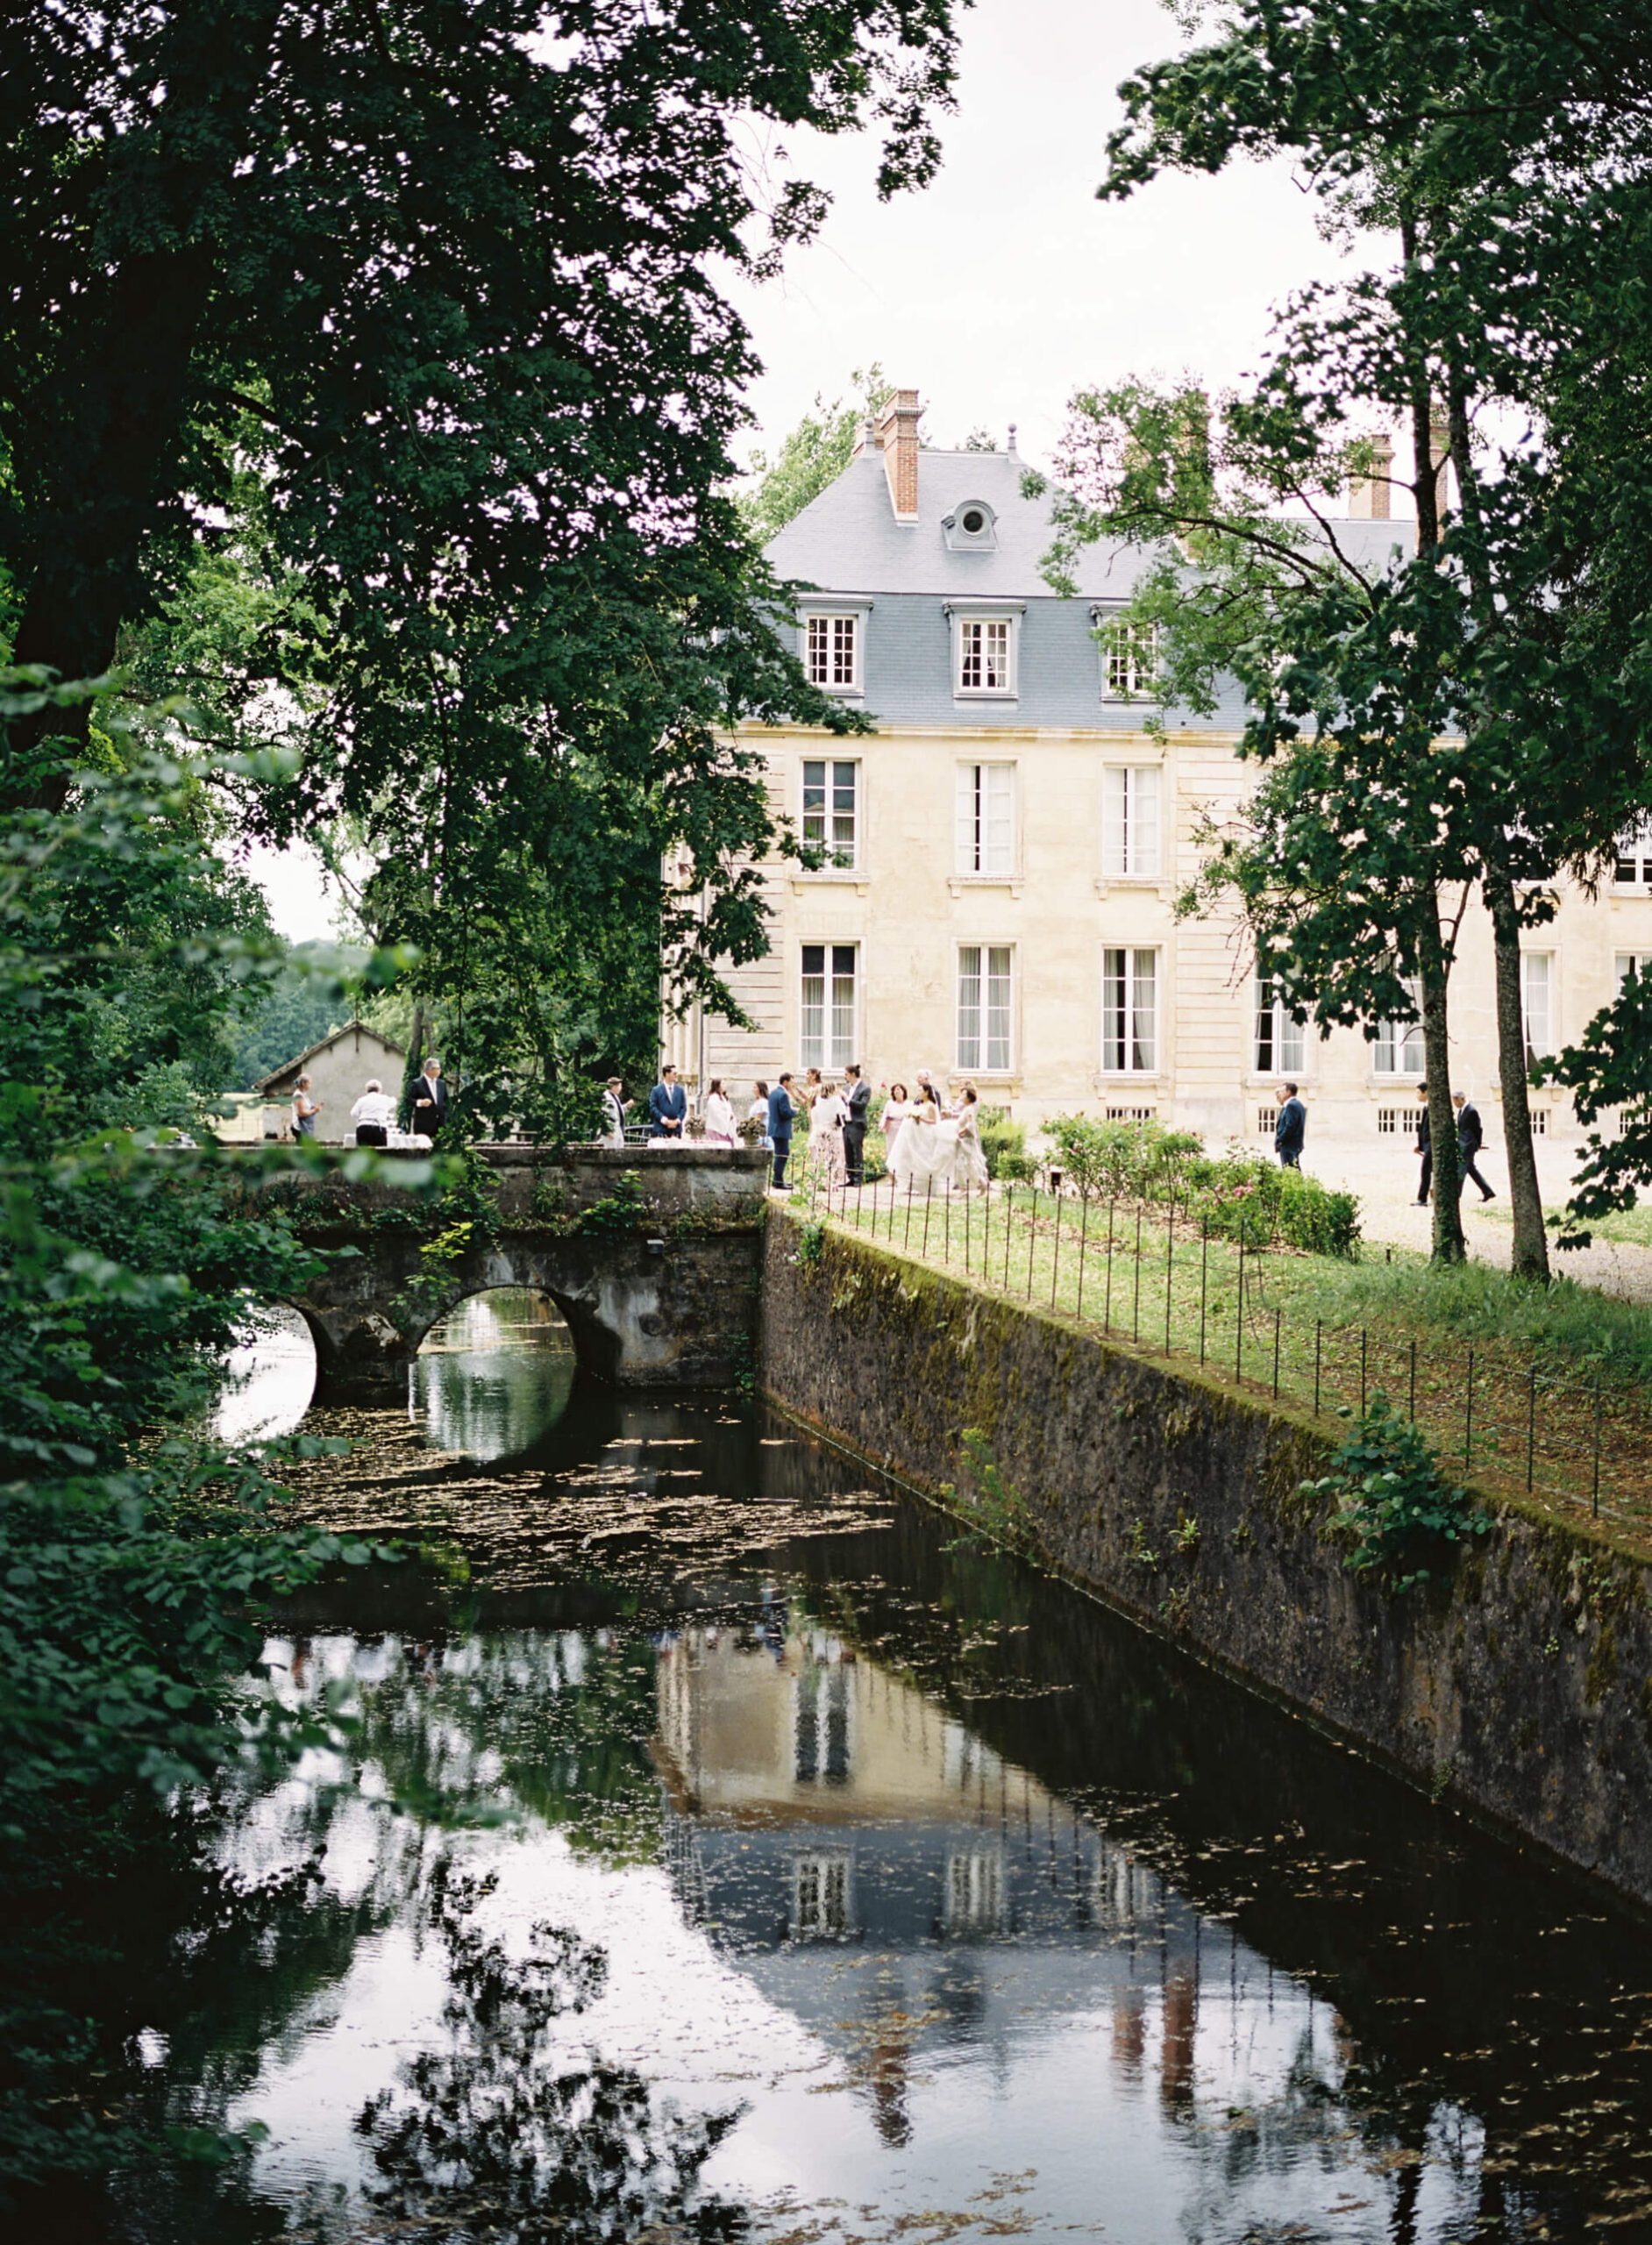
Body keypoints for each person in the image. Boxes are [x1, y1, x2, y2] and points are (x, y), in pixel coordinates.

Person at [1455, 1090, 1496, 1201]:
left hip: (1468, 1144)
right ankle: (1488, 1191)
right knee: (1471, 1169)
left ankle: (1456, 1194)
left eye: (1455, 1101)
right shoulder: (1461, 1111)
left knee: (1461, 1169)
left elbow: (1478, 1129)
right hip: (1463, 1143)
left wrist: (1477, 1144)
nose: (1455, 1104)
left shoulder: (1471, 1111)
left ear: (1461, 1099)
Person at [952, 1084, 989, 1194]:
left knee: (969, 1163)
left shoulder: (969, 1110)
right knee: (962, 1164)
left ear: (969, 1097)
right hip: (962, 1141)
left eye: (964, 1095)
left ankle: (981, 1184)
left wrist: (961, 1132)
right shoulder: (966, 1109)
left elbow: (970, 1125)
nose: (961, 1097)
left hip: (966, 1141)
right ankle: (964, 1188)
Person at [842, 1062, 871, 1185]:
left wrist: (847, 1099)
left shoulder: (865, 1088)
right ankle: (850, 1176)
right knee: (847, 1150)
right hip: (846, 1123)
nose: (845, 1076)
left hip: (857, 1123)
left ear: (853, 1074)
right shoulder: (846, 1088)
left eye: (846, 1074)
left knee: (856, 1150)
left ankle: (858, 1178)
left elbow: (862, 1105)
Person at [767, 1073, 796, 1190]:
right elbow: (785, 1113)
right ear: (785, 1082)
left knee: (780, 1153)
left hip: (774, 1128)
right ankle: (778, 1180)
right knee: (783, 1154)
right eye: (791, 1082)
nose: (792, 1085)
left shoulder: (773, 1093)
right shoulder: (783, 1094)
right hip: (781, 1129)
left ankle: (778, 1179)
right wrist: (794, 1112)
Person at [409, 1056, 448, 1144]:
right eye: (437, 1068)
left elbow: (446, 1101)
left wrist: (445, 1116)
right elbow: (409, 1099)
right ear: (429, 1070)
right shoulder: (417, 1083)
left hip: (440, 1124)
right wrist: (420, 1102)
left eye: (439, 1068)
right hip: (424, 1124)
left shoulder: (441, 1084)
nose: (439, 1071)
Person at [351, 1078, 397, 1147]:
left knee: (363, 1151)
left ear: (367, 1090)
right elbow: (394, 1102)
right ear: (379, 1090)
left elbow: (353, 1113)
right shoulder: (384, 1099)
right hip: (378, 1127)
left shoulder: (362, 1100)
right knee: (380, 1152)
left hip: (363, 1127)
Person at [648, 1061, 687, 1139]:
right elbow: (653, 1107)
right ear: (667, 1074)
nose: (676, 1076)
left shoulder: (680, 1090)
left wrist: (677, 1120)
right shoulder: (656, 1090)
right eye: (674, 1074)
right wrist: (665, 1120)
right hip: (661, 1130)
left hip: (676, 1130)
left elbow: (683, 1108)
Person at [1274, 1082, 1307, 1169]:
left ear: (1288, 1092)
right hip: (1293, 1145)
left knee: (1290, 1170)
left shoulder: (1291, 1105)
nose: (1280, 1094)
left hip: (1289, 1145)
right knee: (1292, 1169)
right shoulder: (1296, 1104)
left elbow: (1290, 1126)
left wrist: (1281, 1139)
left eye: (1282, 1091)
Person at [880, 1081, 912, 1169]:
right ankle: (892, 1174)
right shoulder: (890, 1103)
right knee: (891, 1151)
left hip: (904, 1129)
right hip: (892, 1130)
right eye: (895, 1090)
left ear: (903, 1092)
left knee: (903, 1151)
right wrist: (883, 1125)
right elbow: (885, 1116)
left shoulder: (909, 1104)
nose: (897, 1091)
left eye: (899, 1089)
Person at [1413, 1080, 1432, 1205]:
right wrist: (1420, 1146)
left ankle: (1422, 1198)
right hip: (1426, 1145)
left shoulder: (1431, 1108)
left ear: (1425, 1093)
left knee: (1425, 1171)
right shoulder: (1426, 1107)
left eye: (1418, 1092)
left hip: (1430, 1146)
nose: (1417, 1095)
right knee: (1426, 1171)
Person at [703, 1077, 736, 1145]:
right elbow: (716, 1113)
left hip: (726, 1128)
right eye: (722, 1084)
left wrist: (731, 1115)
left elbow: (728, 1110)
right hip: (716, 1129)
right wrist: (728, 1116)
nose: (724, 1086)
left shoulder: (724, 1097)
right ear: (717, 1086)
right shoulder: (713, 1098)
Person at [602, 1077, 630, 1145]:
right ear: (613, 1086)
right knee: (611, 1150)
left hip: (618, 1127)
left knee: (619, 1150)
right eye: (619, 1086)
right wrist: (606, 1131)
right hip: (611, 1128)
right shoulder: (605, 1097)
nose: (620, 1088)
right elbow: (602, 1114)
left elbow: (617, 1111)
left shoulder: (615, 1097)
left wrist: (626, 1106)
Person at [291, 1073, 320, 1139]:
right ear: (304, 1083)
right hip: (301, 1128)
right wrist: (314, 1110)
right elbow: (301, 1113)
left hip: (306, 1127)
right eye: (309, 1083)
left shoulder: (304, 1094)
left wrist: (314, 1108)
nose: (310, 1085)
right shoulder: (298, 1095)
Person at [748, 1080, 772, 1149]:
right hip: (756, 1130)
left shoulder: (763, 1102)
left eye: (755, 1087)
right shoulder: (758, 1102)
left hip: (761, 1131)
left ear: (760, 1089)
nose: (753, 1089)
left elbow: (759, 1117)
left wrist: (750, 1126)